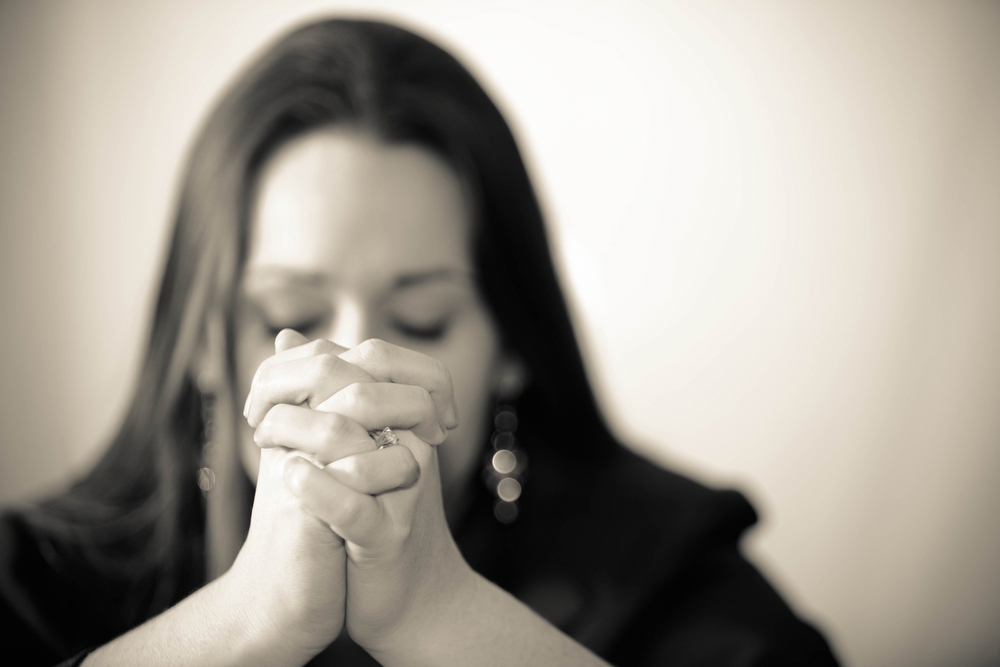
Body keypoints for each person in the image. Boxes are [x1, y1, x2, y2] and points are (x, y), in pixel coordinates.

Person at [0, 18, 839, 667]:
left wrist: (442, 614)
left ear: (511, 342)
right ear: (200, 343)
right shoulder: (37, 578)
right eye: (287, 312)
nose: (354, 373)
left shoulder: (675, 574)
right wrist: (244, 627)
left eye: (424, 320)